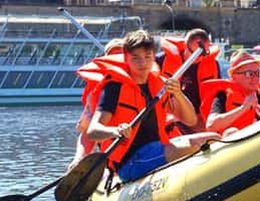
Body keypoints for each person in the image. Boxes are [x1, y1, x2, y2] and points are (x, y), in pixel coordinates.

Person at [86, 30, 220, 183]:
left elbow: (190, 120)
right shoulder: (114, 87)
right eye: (135, 58)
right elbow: (92, 131)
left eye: (147, 57)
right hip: (130, 161)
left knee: (213, 138)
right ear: (126, 58)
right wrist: (115, 131)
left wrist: (178, 94)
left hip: (158, 148)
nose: (142, 63)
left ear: (153, 57)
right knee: (194, 145)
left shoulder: (159, 84)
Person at [69, 38, 124, 169]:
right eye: (112, 57)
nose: (117, 62)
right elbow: (87, 133)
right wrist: (78, 159)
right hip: (115, 158)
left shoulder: (146, 82)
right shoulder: (97, 90)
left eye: (120, 56)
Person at [157, 28, 221, 132]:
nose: (198, 58)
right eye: (194, 53)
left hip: (200, 118)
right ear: (185, 46)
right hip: (173, 114)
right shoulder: (162, 60)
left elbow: (217, 95)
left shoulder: (213, 64)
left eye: (202, 53)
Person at [202, 50, 260, 134]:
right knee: (231, 132)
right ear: (234, 76)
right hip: (237, 140)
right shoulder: (223, 95)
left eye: (257, 73)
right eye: (249, 74)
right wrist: (243, 108)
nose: (255, 78)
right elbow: (211, 125)